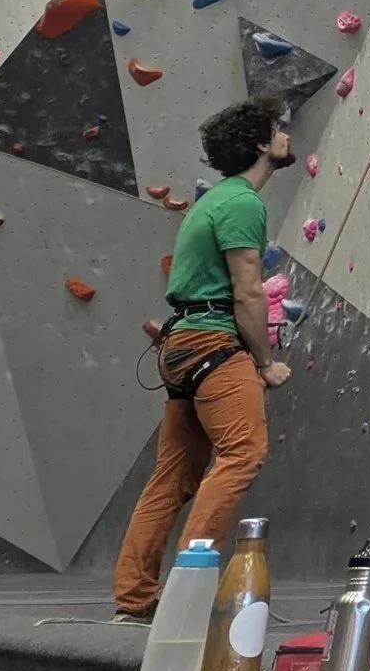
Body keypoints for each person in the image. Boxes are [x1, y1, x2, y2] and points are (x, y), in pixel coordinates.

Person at [112, 96, 294, 623]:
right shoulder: (241, 204)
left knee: (173, 476)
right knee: (242, 453)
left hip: (182, 348)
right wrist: (265, 361)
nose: (285, 135)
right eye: (277, 129)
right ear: (262, 143)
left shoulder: (214, 201)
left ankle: (134, 597)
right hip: (214, 345)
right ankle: (186, 599)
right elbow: (247, 292)